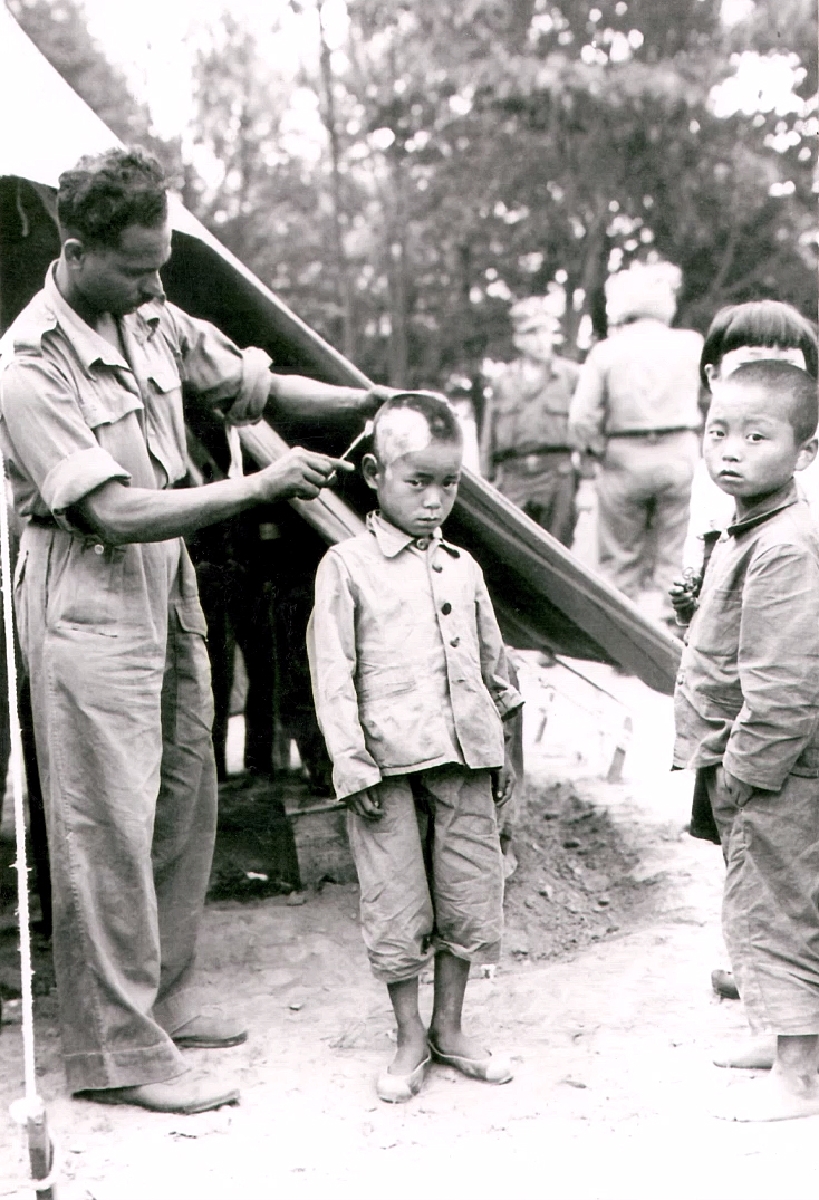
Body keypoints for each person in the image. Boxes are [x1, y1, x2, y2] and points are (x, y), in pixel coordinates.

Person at [0, 147, 384, 1114]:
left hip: (169, 578)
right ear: (77, 250)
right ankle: (116, 1053)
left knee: (183, 792)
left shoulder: (151, 314)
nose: (156, 283)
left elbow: (253, 388)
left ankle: (163, 1000)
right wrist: (258, 485)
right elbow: (113, 512)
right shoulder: (26, 365)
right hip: (86, 585)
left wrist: (371, 403)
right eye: (137, 265)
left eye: (162, 261)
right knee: (102, 824)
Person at [307, 392, 522, 1103]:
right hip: (383, 767)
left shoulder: (461, 565)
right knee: (395, 903)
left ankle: (450, 1026)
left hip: (464, 759)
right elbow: (331, 674)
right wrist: (349, 761)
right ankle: (406, 1035)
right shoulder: (345, 566)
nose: (434, 500)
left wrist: (505, 749)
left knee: (467, 892)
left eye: (449, 483)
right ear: (371, 473)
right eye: (416, 482)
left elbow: (497, 668)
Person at [673, 359, 819, 1122]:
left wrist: (742, 773)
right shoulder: (743, 528)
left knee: (776, 908)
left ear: (803, 453)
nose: (729, 449)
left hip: (776, 773)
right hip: (749, 763)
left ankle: (798, 1077)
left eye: (756, 436)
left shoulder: (785, 546)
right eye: (716, 431)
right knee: (754, 902)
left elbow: (785, 690)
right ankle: (779, 1034)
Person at [569, 262, 703, 619]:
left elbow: (581, 418)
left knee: (619, 557)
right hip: (680, 451)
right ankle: (673, 631)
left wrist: (598, 451)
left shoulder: (607, 351)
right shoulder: (691, 345)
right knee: (675, 553)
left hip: (623, 456)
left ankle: (622, 637)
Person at [682, 299, 819, 576]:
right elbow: (701, 548)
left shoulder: (806, 452)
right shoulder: (716, 459)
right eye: (751, 366)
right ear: (715, 377)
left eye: (786, 366)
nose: (768, 380)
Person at [480, 297, 580, 546]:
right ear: (518, 339)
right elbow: (488, 435)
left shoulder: (570, 376)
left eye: (546, 331)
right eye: (532, 332)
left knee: (558, 552)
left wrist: (587, 478)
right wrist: (487, 477)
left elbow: (586, 426)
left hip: (557, 475)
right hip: (514, 477)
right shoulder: (502, 381)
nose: (540, 340)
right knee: (511, 548)